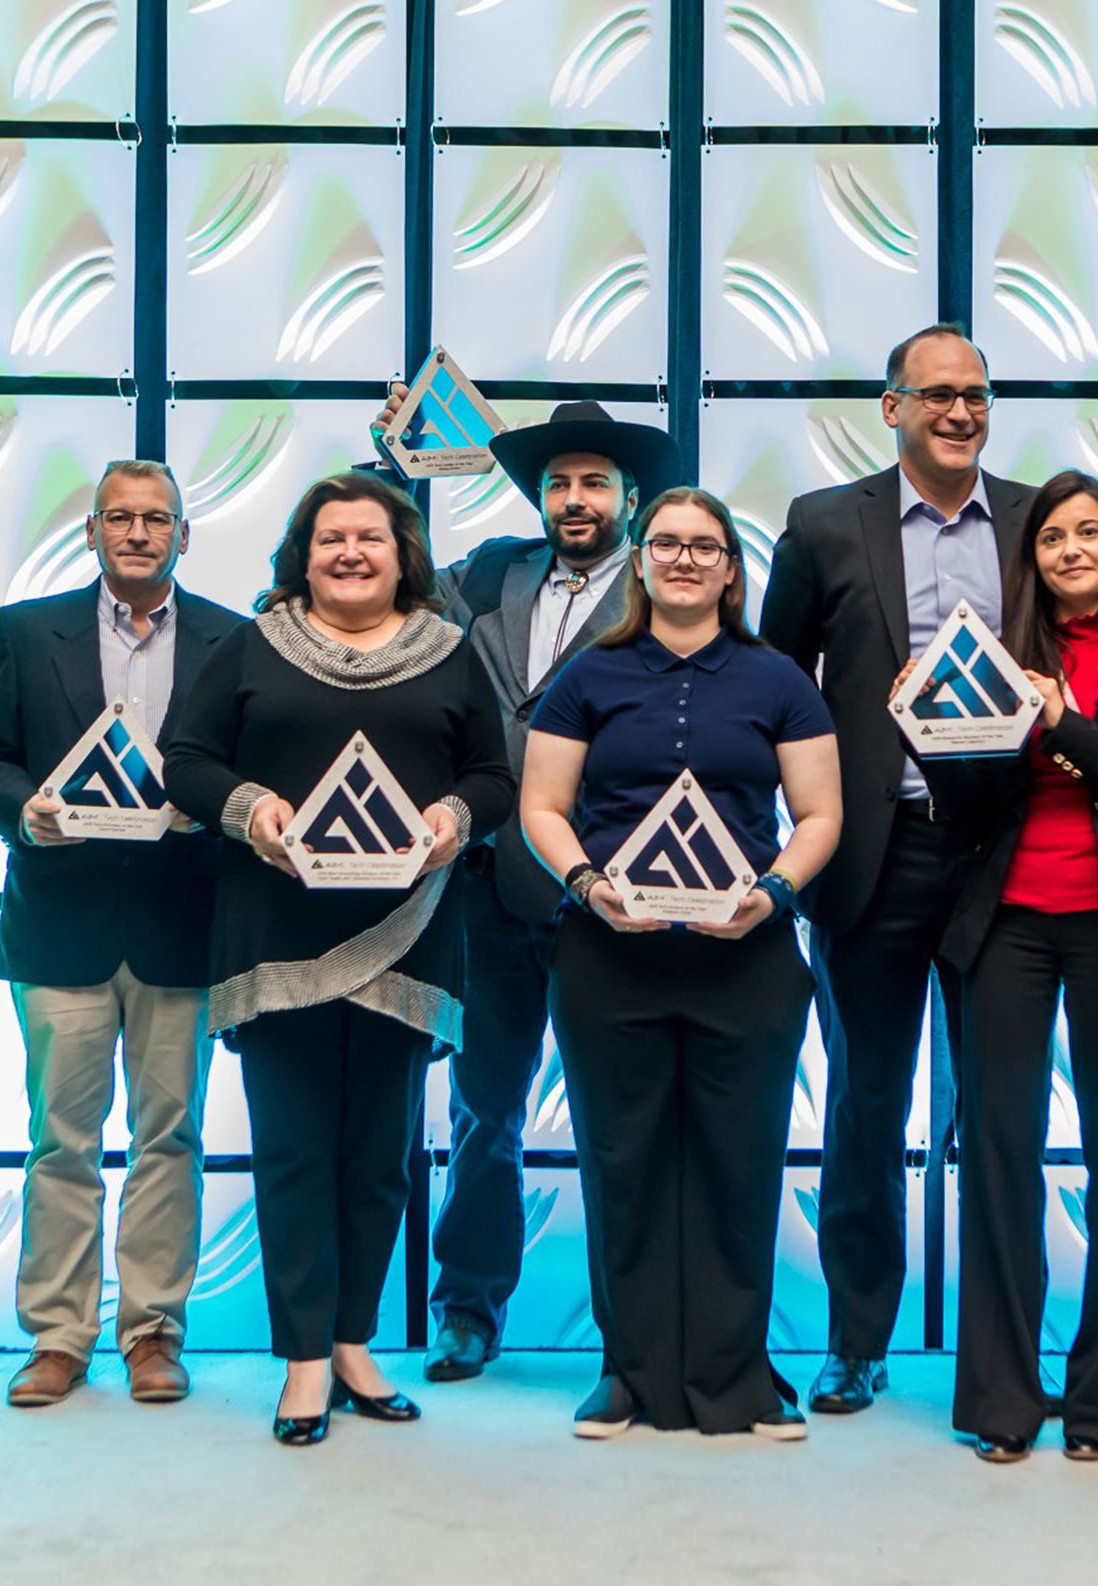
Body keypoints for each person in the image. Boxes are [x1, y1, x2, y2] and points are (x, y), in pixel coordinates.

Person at [163, 471, 513, 1446]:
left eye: (369, 536)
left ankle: (356, 1340)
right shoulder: (251, 644)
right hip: (277, 943)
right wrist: (250, 808)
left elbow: (491, 773)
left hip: (409, 937)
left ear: (404, 552)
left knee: (379, 1163)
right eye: (330, 539)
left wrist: (452, 816)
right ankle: (306, 1359)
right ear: (301, 553)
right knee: (292, 1153)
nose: (350, 552)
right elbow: (184, 758)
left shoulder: (449, 654)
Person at [369, 386, 683, 1382]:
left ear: (631, 496)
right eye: (559, 482)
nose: (576, 497)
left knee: (622, 1118)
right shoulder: (490, 571)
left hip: (616, 893)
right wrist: (393, 467)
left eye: (595, 481)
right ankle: (469, 1308)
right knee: (483, 1110)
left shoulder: (665, 583)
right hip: (491, 890)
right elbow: (391, 582)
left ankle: (633, 1329)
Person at [520, 487, 842, 1441]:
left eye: (707, 546)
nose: (687, 559)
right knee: (622, 1163)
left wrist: (773, 897)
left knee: (739, 1166)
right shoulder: (589, 674)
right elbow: (543, 805)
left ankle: (739, 1379)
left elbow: (820, 815)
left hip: (745, 956)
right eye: (667, 543)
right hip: (607, 956)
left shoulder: (780, 678)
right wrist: (584, 880)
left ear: (733, 568)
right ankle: (627, 1375)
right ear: (642, 559)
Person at [760, 324, 1037, 1413]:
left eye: (975, 394)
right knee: (866, 1109)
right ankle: (856, 1339)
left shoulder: (1032, 519)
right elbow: (778, 684)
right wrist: (801, 821)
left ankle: (997, 1348)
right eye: (937, 395)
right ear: (893, 407)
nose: (960, 412)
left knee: (1000, 1109)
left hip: (1004, 852)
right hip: (874, 853)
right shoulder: (826, 523)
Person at [922, 471, 1098, 1463]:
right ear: (1030, 558)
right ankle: (1002, 1400)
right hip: (1005, 921)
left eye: (1090, 531)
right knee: (997, 1150)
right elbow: (962, 813)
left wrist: (1066, 725)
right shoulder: (995, 653)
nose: (1072, 548)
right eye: (1052, 537)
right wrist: (938, 735)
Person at [0, 460, 246, 1409]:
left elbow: (242, 769)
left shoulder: (231, 638)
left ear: (182, 535)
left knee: (171, 1134)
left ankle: (155, 1332)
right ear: (90, 531)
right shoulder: (24, 629)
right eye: (119, 518)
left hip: (182, 919)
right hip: (61, 918)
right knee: (60, 1139)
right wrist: (24, 809)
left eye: (156, 518)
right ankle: (57, 1336)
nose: (137, 533)